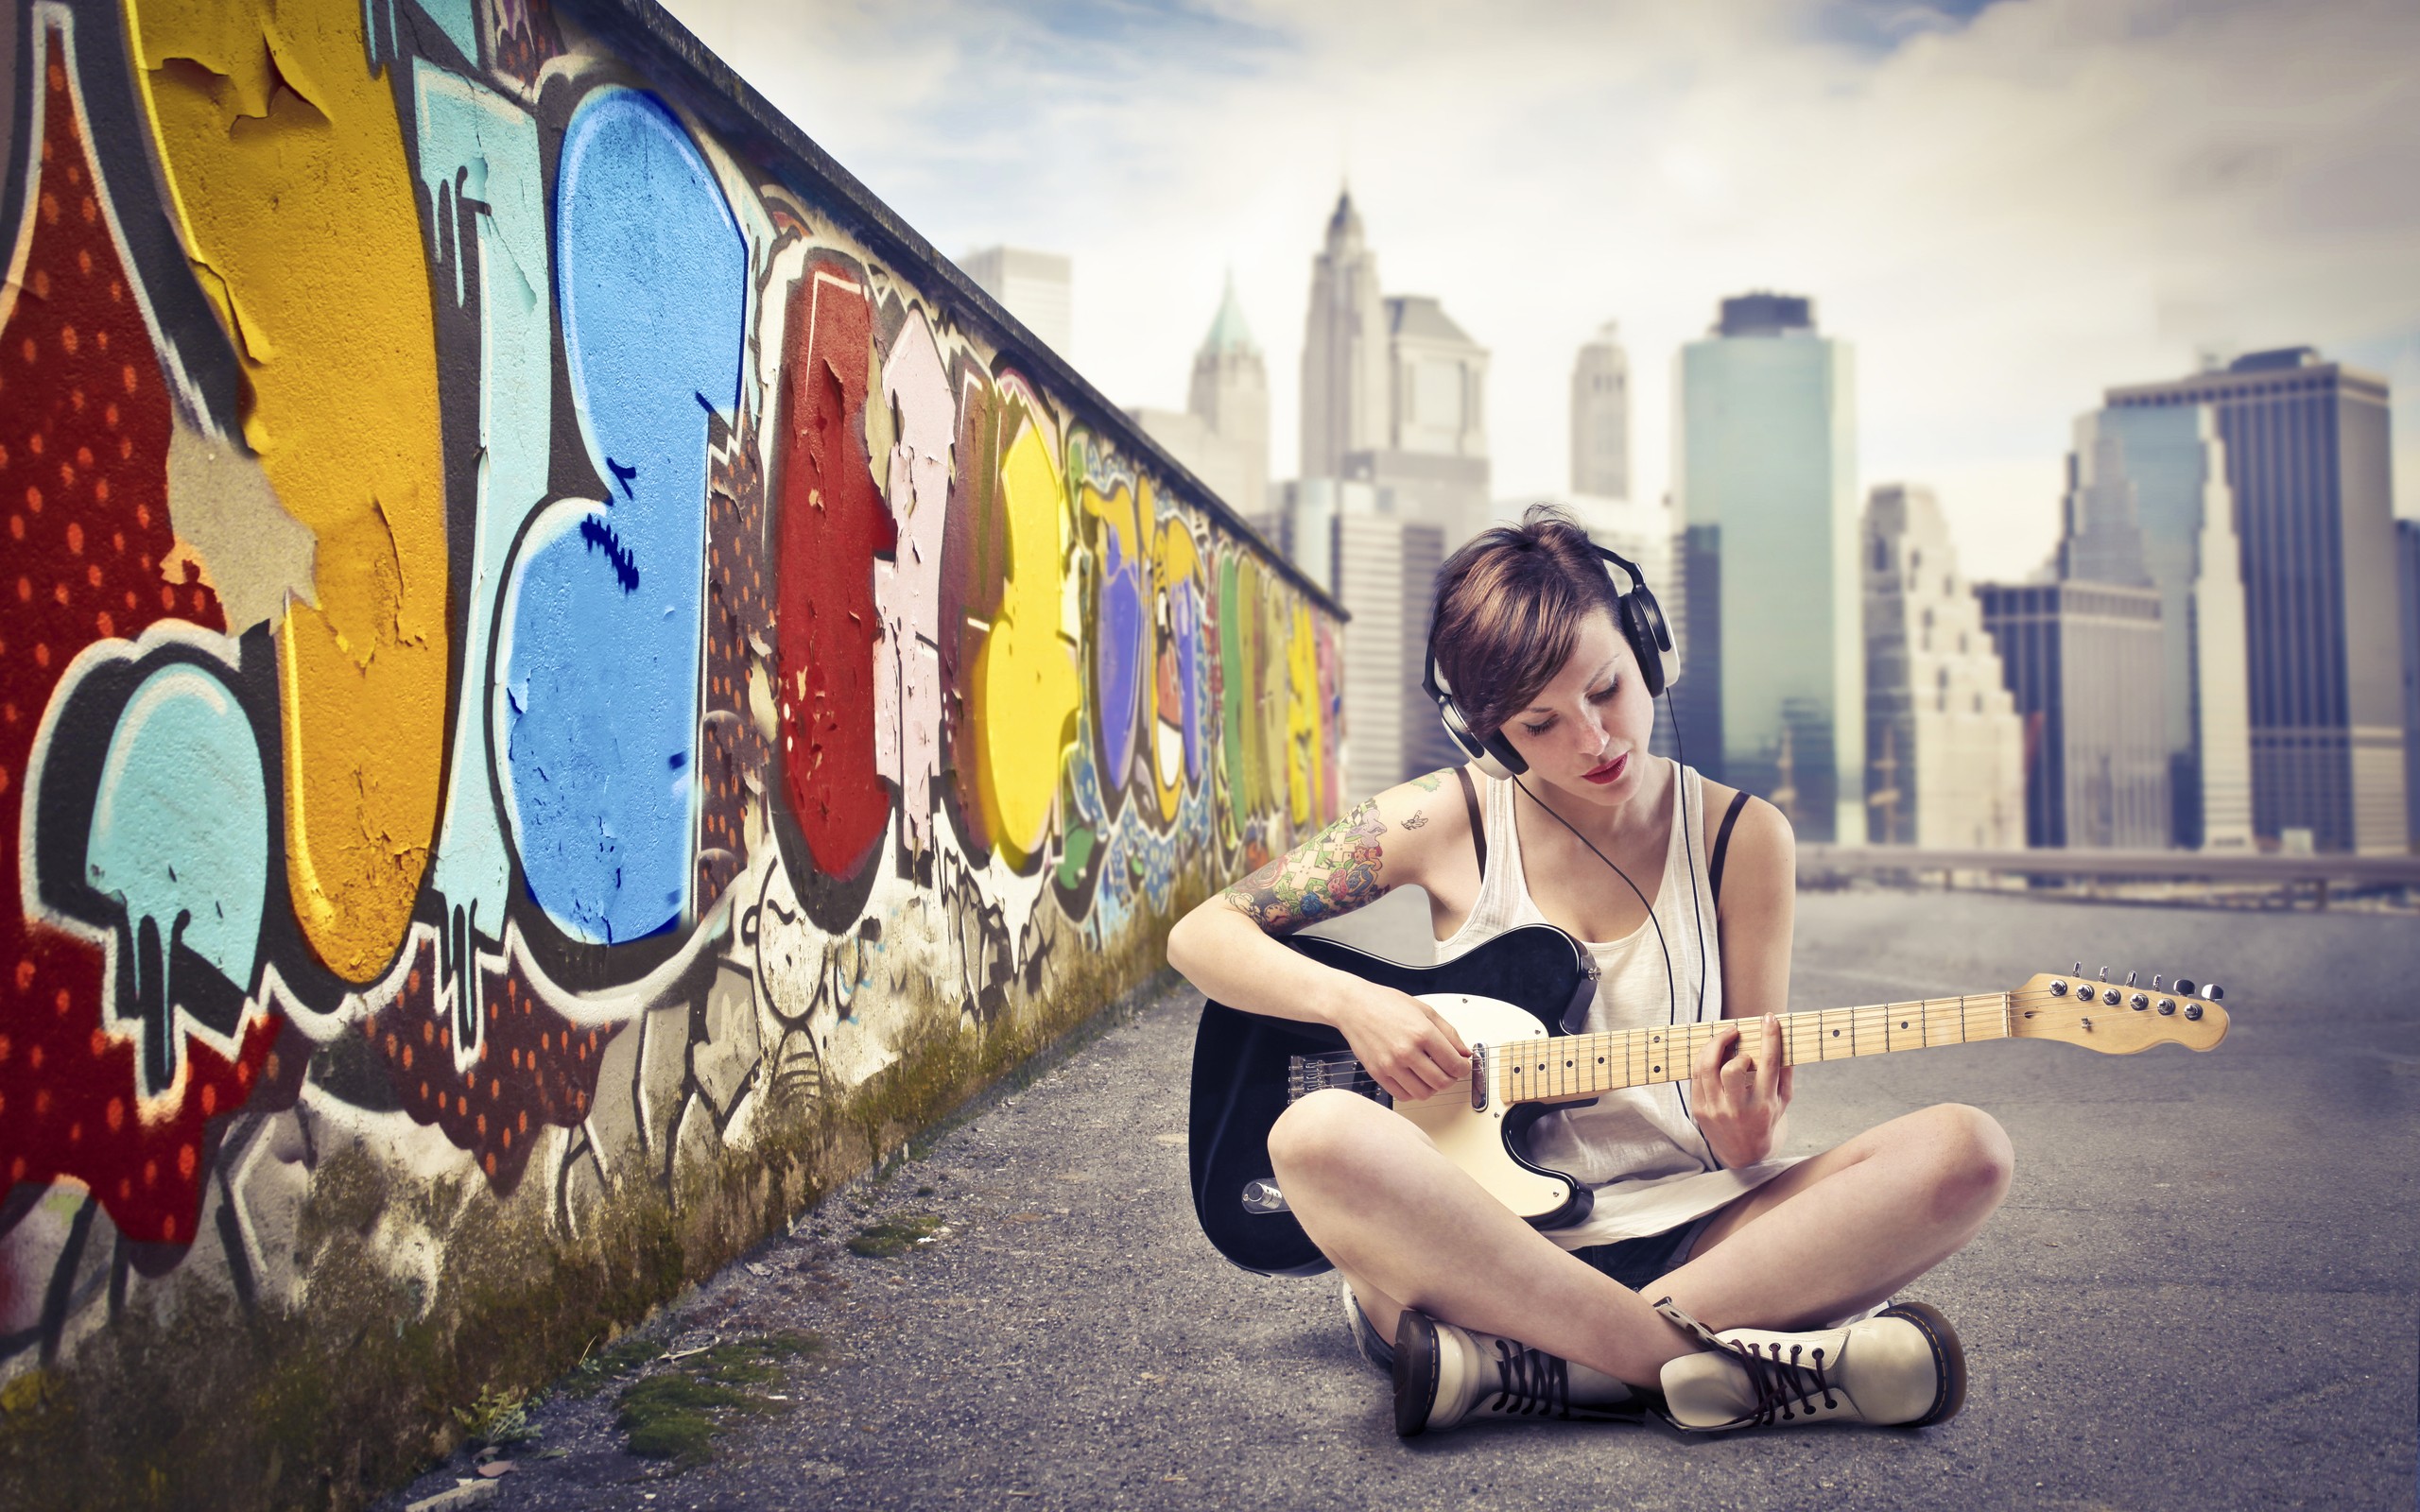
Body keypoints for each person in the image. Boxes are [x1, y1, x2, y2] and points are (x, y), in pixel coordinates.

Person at [1164, 506, 2013, 1435]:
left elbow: (1748, 1123)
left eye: (1606, 690)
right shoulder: (1444, 819)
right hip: (1485, 1244)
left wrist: (1744, 1130)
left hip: (1701, 1232)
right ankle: (1730, 1369)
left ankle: (1536, 1371)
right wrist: (1355, 1005)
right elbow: (1205, 933)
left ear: (1645, 649)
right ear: (1487, 734)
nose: (1593, 738)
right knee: (1316, 1136)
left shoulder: (1743, 840)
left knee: (1966, 1150)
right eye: (1540, 722)